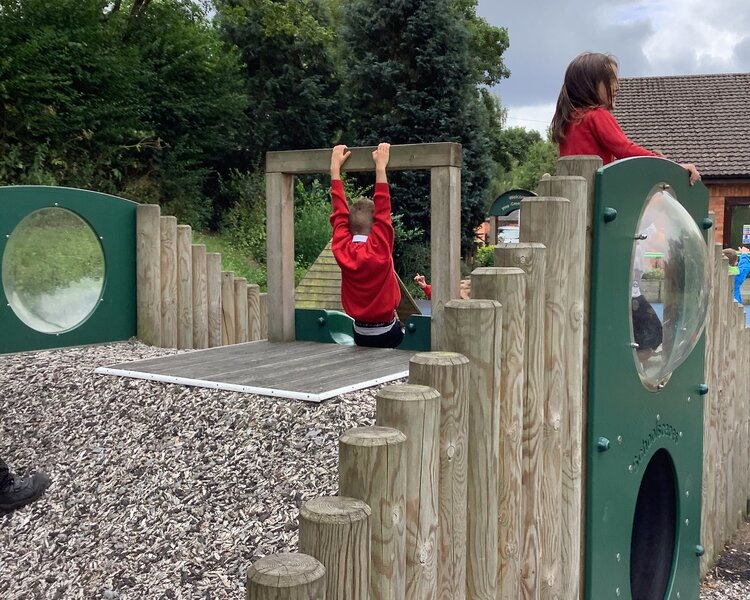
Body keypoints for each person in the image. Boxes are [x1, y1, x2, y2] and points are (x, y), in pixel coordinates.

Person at [551, 52, 701, 185]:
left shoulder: (569, 120)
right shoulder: (597, 115)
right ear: (588, 84)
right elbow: (625, 149)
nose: (617, 86)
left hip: (575, 191)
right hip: (596, 195)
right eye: (610, 80)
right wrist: (669, 166)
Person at [330, 143, 404, 348]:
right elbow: (383, 210)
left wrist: (335, 169)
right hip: (388, 331)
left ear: (349, 226)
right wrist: (381, 168)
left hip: (359, 331)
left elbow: (339, 214)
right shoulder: (379, 249)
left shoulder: (341, 248)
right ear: (376, 229)